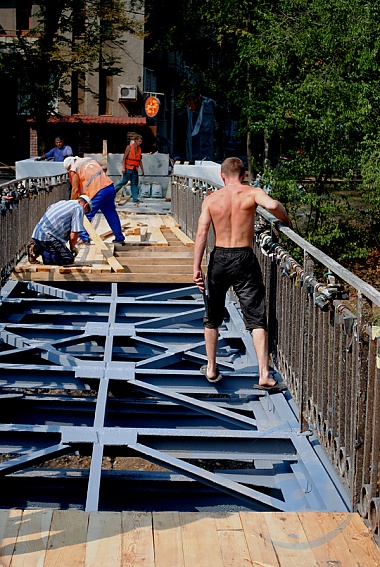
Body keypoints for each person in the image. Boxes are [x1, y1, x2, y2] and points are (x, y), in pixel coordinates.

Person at [193, 157, 291, 391]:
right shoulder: (252, 193)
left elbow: (201, 234)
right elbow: (274, 206)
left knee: (212, 314)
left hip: (219, 258)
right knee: (256, 316)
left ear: (222, 176)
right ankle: (264, 375)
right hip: (244, 257)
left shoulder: (211, 199)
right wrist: (286, 221)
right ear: (244, 175)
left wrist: (196, 267)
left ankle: (211, 368)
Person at [63, 156, 125, 244]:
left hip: (97, 191)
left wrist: (71, 205)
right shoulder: (88, 159)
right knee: (111, 214)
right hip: (109, 187)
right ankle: (119, 238)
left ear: (69, 166)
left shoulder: (74, 168)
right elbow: (104, 168)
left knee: (85, 213)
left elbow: (75, 189)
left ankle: (84, 238)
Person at [28, 195, 92, 265]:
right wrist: (73, 248)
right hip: (49, 238)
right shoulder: (79, 208)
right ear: (85, 206)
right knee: (68, 259)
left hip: (37, 234)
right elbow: (74, 234)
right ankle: (40, 253)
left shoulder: (62, 202)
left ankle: (36, 249)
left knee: (55, 249)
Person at [114, 134, 145, 204]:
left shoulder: (139, 149)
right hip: (128, 168)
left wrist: (142, 169)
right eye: (139, 141)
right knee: (124, 181)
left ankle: (135, 199)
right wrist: (123, 168)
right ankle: (112, 192)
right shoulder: (129, 147)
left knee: (134, 184)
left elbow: (139, 160)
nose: (141, 143)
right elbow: (124, 158)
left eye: (141, 141)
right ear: (136, 140)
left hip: (135, 169)